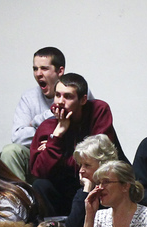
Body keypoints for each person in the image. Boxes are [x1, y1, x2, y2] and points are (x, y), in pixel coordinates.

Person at [31, 73, 125, 216]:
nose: (60, 101)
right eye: (57, 95)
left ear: (83, 100)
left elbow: (99, 159)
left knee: (98, 178)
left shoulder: (98, 111)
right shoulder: (47, 126)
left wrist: (55, 151)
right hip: (64, 187)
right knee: (40, 185)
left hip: (96, 181)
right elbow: (39, 171)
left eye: (68, 96)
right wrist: (57, 136)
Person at [1, 46, 66, 181]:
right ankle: (22, 199)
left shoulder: (74, 91)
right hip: (37, 152)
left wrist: (37, 122)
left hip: (66, 154)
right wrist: (48, 136)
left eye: (44, 68)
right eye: (35, 69)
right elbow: (18, 136)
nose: (38, 73)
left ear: (60, 71)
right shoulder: (28, 97)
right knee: (9, 151)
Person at [66, 134, 118, 227]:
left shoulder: (116, 191)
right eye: (80, 165)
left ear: (103, 165)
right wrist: (86, 190)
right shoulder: (84, 191)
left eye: (87, 165)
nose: (81, 170)